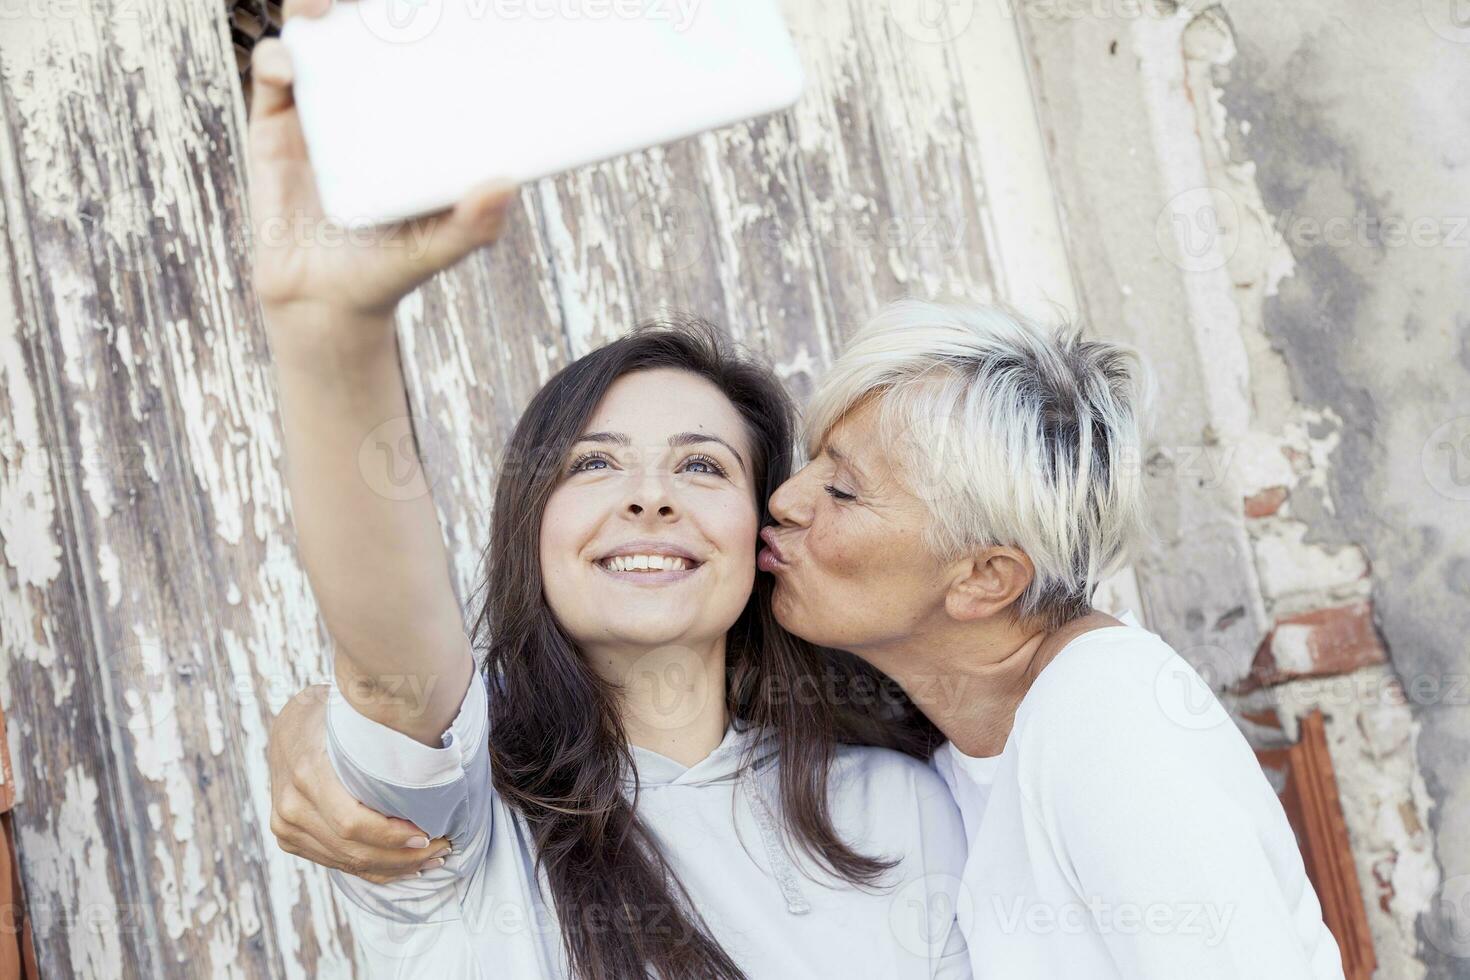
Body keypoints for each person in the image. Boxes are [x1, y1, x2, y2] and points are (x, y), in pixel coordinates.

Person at [248, 6, 969, 978]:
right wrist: (328, 327)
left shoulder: (900, 806)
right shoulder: (461, 820)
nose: (650, 498)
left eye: (703, 465)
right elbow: (389, 668)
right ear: (529, 530)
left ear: (765, 531)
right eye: (593, 463)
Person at [757, 299, 1347, 978]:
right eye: (812, 461)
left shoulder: (1111, 717)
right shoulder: (965, 753)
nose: (786, 499)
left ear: (983, 577)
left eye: (842, 489)